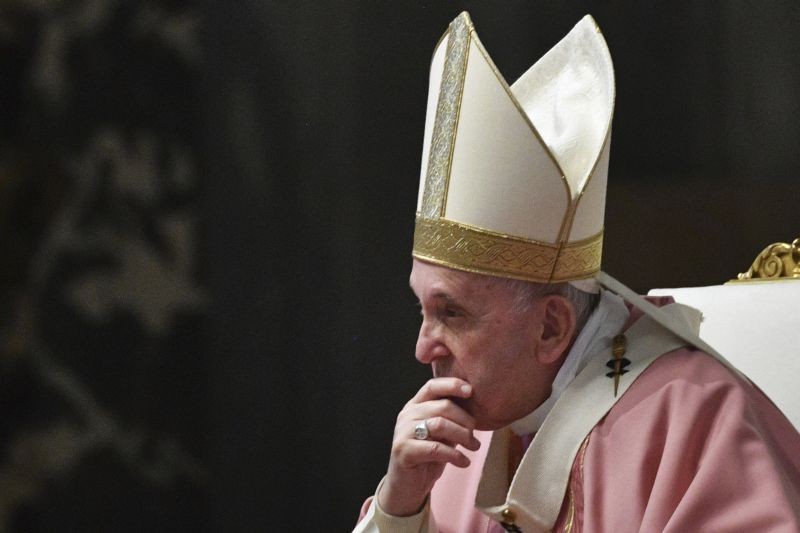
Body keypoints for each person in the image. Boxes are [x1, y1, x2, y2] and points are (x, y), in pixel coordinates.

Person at [355, 11, 800, 533]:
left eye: (451, 313)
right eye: (423, 309)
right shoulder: (464, 442)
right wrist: (400, 508)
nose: (423, 347)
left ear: (551, 327)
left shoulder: (692, 421)